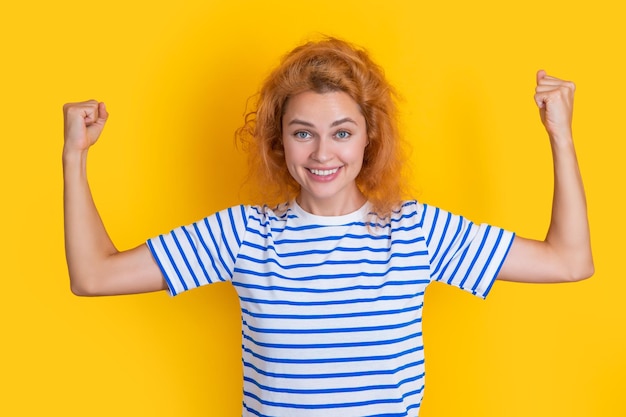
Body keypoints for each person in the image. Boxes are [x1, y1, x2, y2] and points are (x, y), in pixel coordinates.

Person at [63, 37, 593, 416]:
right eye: (302, 133)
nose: (322, 153)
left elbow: (569, 262)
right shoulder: (243, 235)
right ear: (279, 141)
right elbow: (94, 276)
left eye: (342, 132)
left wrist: (560, 136)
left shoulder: (416, 232)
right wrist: (73, 158)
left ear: (370, 139)